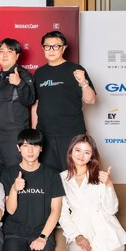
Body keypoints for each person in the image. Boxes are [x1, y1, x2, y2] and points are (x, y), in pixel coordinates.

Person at [32, 31, 97, 171]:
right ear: (43, 48)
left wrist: (83, 83)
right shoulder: (39, 73)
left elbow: (90, 100)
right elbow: (36, 104)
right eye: (47, 46)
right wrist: (34, 133)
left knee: (73, 172)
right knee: (49, 175)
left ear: (64, 48)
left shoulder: (75, 70)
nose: (51, 50)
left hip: (71, 133)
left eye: (56, 46)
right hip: (45, 133)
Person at [0, 38, 35, 178]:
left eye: (9, 51)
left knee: (15, 173)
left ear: (17, 55)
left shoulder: (23, 75)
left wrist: (19, 83)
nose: (4, 54)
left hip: (14, 133)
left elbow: (30, 100)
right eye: (1, 51)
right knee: (0, 173)